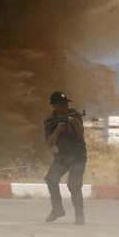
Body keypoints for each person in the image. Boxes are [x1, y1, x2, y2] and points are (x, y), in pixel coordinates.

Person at [43, 91, 86, 225]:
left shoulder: (74, 115)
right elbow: (49, 144)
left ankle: (80, 216)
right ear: (55, 106)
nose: (65, 107)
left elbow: (81, 132)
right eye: (62, 105)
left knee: (73, 185)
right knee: (50, 179)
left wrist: (75, 124)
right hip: (63, 156)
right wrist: (57, 131)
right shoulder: (50, 121)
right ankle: (57, 209)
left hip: (78, 156)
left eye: (66, 104)